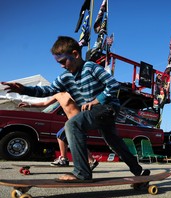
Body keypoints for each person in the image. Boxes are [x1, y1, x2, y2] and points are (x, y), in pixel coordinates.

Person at [2, 36, 149, 182]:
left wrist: (97, 100)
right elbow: (48, 90)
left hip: (107, 108)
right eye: (58, 63)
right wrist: (24, 90)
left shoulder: (90, 67)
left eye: (63, 61)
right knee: (115, 143)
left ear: (75, 54)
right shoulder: (65, 77)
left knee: (72, 124)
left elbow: (113, 84)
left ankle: (82, 173)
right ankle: (139, 171)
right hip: (95, 114)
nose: (62, 66)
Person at [18, 92, 99, 170]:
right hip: (71, 122)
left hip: (78, 120)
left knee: (61, 135)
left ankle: (65, 159)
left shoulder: (70, 93)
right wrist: (29, 105)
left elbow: (84, 101)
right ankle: (90, 160)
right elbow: (45, 104)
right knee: (72, 140)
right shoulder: (57, 95)